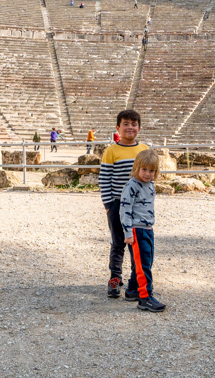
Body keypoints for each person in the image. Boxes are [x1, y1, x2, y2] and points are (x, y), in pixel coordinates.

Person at [99, 109, 149, 299]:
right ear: (117, 127)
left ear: (139, 128)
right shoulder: (111, 150)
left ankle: (135, 281)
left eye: (134, 124)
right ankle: (115, 277)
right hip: (117, 204)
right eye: (125, 124)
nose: (130, 127)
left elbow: (149, 177)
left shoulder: (144, 149)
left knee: (137, 243)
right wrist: (108, 204)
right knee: (118, 242)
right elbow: (104, 179)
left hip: (138, 206)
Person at [120, 149, 165, 312]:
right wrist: (128, 233)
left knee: (145, 262)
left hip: (147, 228)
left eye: (152, 170)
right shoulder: (132, 186)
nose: (148, 174)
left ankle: (133, 290)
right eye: (144, 169)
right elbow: (124, 210)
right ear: (137, 167)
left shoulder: (150, 184)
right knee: (143, 264)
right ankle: (145, 297)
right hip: (136, 230)